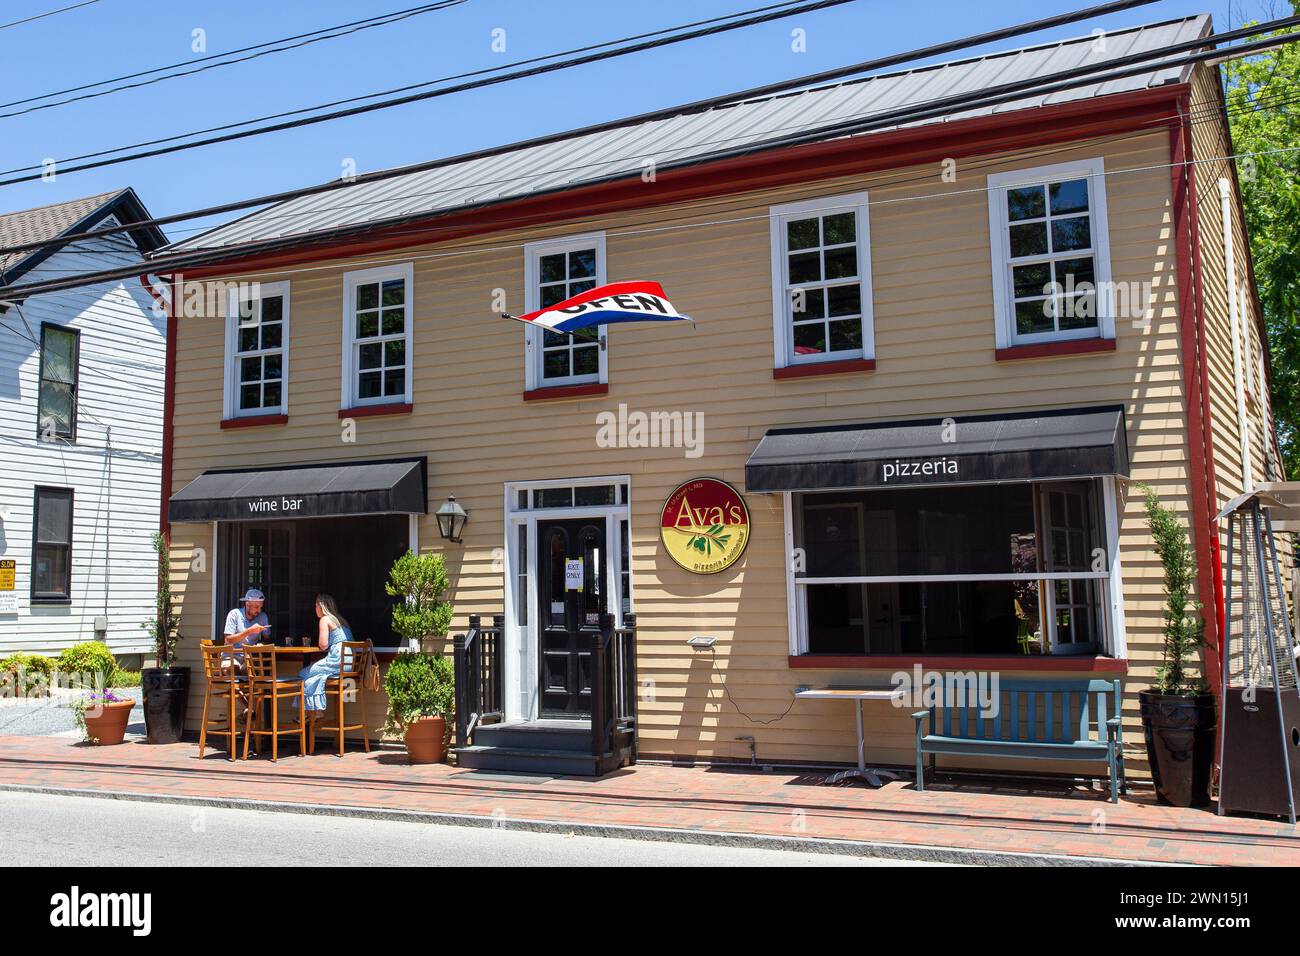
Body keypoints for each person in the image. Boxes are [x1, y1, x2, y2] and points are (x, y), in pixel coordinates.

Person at [299, 593, 353, 719]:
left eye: (315, 605)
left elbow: (323, 645)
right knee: (315, 676)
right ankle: (314, 712)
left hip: (337, 661)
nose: (315, 608)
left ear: (321, 606)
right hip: (349, 665)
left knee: (303, 673)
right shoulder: (341, 620)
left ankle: (311, 712)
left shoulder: (325, 619)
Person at [221, 588, 270, 668]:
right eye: (256, 607)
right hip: (231, 655)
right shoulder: (234, 614)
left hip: (250, 656)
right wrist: (249, 631)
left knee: (250, 670)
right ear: (247, 604)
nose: (259, 610)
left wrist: (261, 644)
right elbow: (228, 640)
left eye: (261, 607)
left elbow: (267, 639)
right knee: (232, 669)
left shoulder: (262, 617)